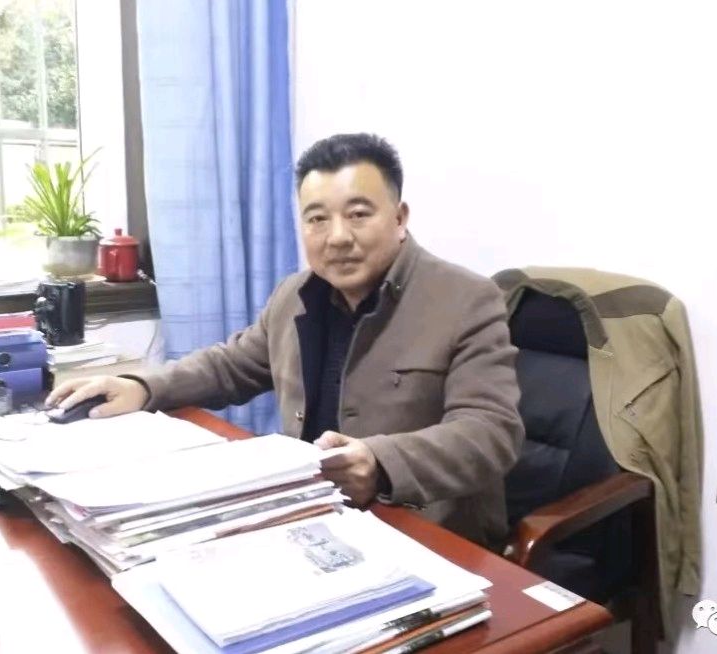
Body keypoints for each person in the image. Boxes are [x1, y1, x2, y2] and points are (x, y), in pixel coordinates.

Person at [47, 133, 524, 547]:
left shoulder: (467, 299)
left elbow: (491, 431)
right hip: (311, 517)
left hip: (421, 531)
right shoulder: (295, 295)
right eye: (317, 219)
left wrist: (381, 462)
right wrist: (143, 387)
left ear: (399, 218)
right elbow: (230, 366)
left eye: (358, 214)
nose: (337, 237)